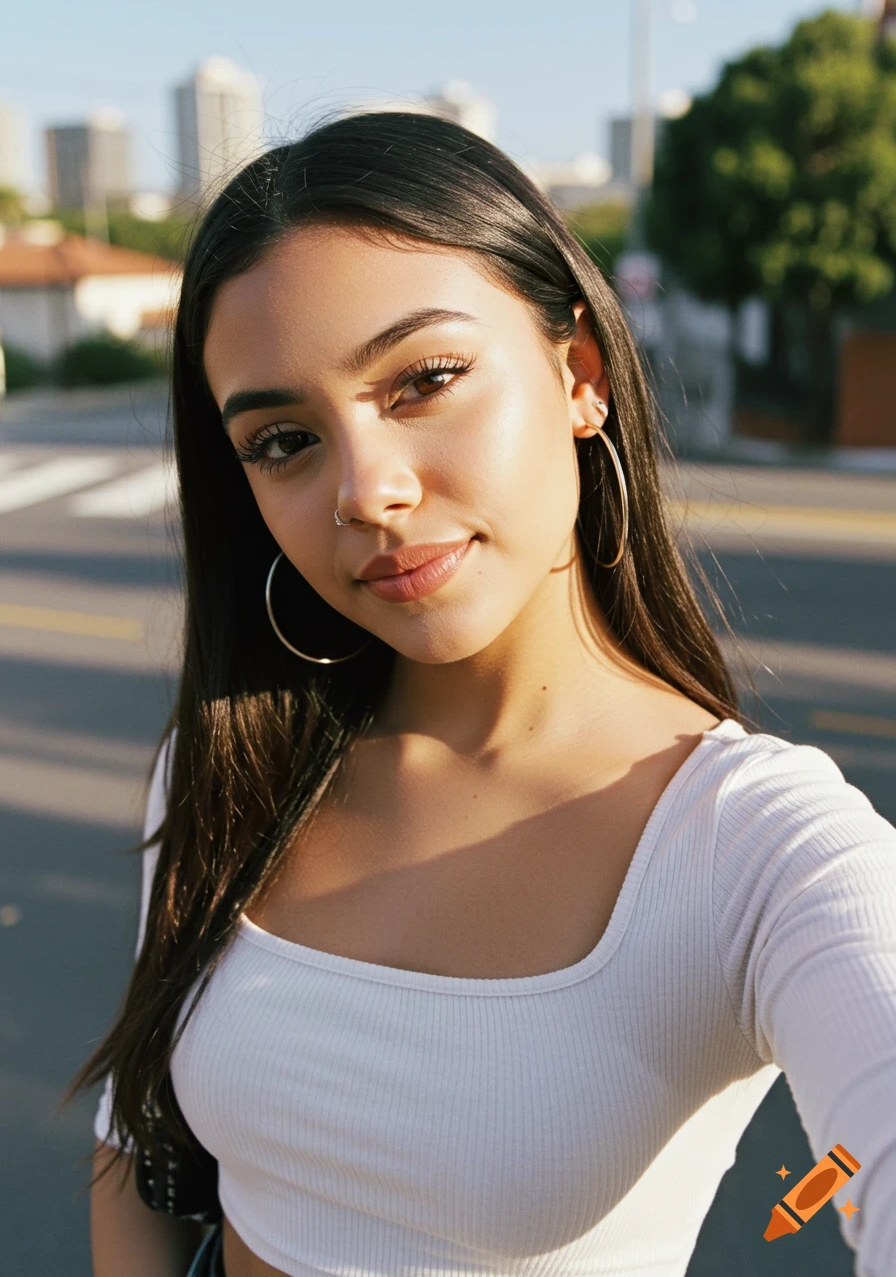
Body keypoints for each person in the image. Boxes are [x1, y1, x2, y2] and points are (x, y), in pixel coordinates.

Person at [66, 109, 896, 1277]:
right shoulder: (232, 758)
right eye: (284, 441)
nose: (367, 490)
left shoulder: (754, 846)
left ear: (579, 375)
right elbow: (136, 1146)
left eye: (425, 380)